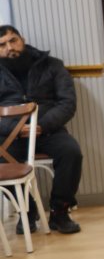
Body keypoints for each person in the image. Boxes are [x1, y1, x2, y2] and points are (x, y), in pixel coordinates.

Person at [0, 25, 83, 233]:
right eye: (2, 45)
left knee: (71, 152)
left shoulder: (52, 65)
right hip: (10, 136)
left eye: (13, 40)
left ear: (22, 39)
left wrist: (41, 126)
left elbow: (67, 103)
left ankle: (60, 211)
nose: (9, 47)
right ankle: (26, 210)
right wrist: (16, 128)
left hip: (48, 130)